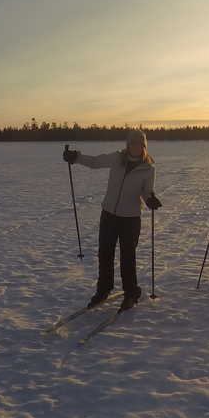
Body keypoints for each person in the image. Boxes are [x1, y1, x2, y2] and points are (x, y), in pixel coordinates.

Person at [64, 130, 162, 310]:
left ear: (144, 146)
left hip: (131, 218)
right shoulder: (117, 159)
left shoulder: (149, 168)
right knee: (105, 253)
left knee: (127, 257)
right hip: (109, 214)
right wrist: (76, 157)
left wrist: (150, 200)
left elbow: (146, 191)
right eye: (132, 143)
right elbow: (95, 162)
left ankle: (131, 292)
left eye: (139, 144)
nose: (135, 147)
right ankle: (103, 289)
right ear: (127, 145)